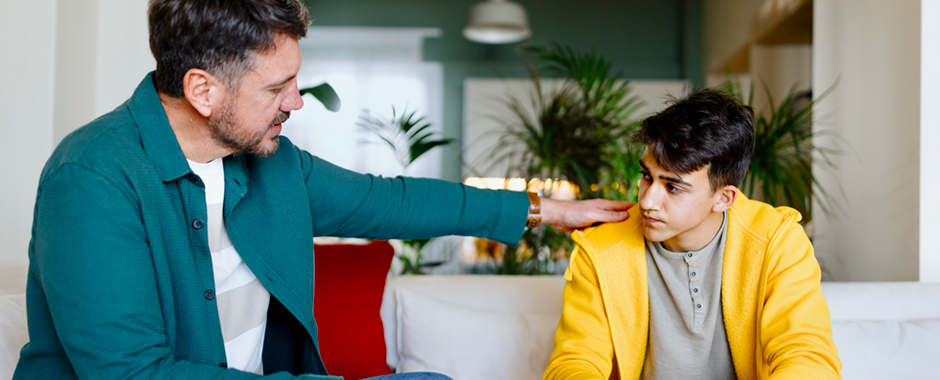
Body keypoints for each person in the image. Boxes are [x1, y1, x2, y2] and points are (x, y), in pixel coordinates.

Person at [13, 1, 633, 379]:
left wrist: (544, 208)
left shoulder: (269, 163)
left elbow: (390, 200)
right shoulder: (92, 180)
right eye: (277, 87)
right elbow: (133, 375)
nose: (297, 102)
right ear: (203, 91)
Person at [543, 89, 842, 380]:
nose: (647, 201)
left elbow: (808, 358)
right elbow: (574, 362)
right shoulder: (600, 248)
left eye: (673, 187)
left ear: (723, 198)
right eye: (647, 176)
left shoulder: (776, 242)